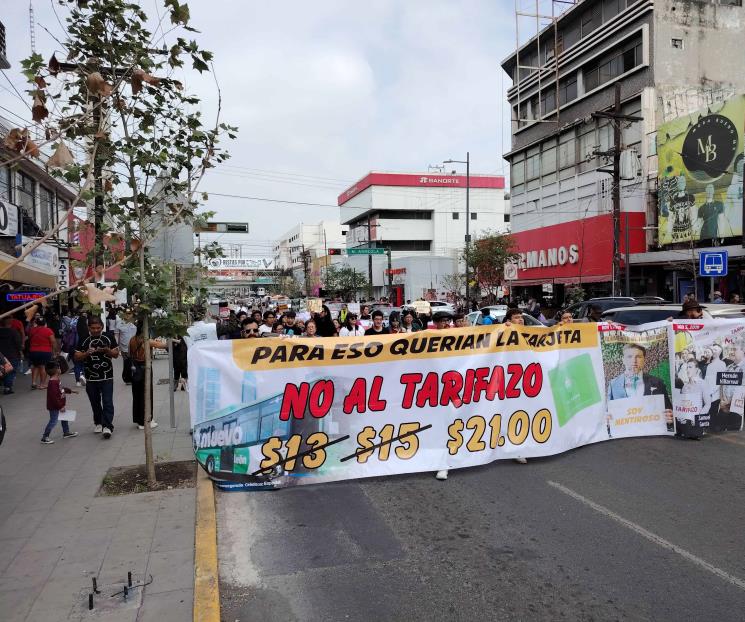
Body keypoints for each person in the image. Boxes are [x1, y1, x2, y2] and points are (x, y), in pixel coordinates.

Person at [607, 344, 674, 430]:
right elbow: (608, 414)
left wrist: (670, 418)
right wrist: (607, 421)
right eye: (629, 356)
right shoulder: (613, 385)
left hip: (652, 437)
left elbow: (669, 413)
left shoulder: (658, 383)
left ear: (644, 360)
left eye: (638, 357)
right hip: (623, 439)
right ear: (623, 360)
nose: (634, 361)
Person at [74, 316, 119, 438]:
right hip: (90, 378)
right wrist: (86, 353)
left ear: (102, 327)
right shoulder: (84, 339)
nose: (95, 330)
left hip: (107, 376)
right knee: (95, 402)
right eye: (93, 328)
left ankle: (107, 426)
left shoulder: (108, 337)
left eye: (98, 328)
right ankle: (98, 422)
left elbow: (116, 354)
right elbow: (76, 356)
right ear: (89, 328)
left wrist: (107, 351)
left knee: (107, 402)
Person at [129, 328, 165, 429]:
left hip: (135, 368)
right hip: (145, 368)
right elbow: (163, 345)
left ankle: (138, 419)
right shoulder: (146, 341)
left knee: (137, 394)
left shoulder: (132, 339)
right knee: (147, 394)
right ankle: (145, 420)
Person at [41, 360, 78, 444]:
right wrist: (60, 406)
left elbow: (61, 389)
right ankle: (45, 437)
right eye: (59, 367)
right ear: (56, 370)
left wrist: (71, 391)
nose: (60, 369)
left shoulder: (56, 380)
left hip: (58, 404)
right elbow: (54, 397)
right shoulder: (53, 382)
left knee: (64, 418)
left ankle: (66, 432)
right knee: (53, 421)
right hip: (55, 406)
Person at [680, 359, 711, 429]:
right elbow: (682, 405)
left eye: (690, 367)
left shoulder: (702, 383)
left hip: (698, 422)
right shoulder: (684, 387)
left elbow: (708, 404)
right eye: (687, 367)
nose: (688, 370)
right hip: (686, 422)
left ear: (696, 369)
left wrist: (698, 418)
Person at [28, 316, 57, 389]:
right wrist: (54, 352)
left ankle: (34, 382)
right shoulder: (48, 330)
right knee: (43, 367)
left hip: (33, 351)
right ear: (45, 323)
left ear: (36, 322)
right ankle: (42, 384)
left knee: (35, 366)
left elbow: (29, 339)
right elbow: (53, 341)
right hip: (45, 351)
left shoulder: (32, 330)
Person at [0, 316, 22, 394]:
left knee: (2, 370)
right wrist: (21, 352)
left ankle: (3, 383)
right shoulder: (13, 332)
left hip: (1, 355)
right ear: (10, 322)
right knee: (11, 371)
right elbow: (18, 343)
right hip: (12, 354)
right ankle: (7, 387)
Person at [115, 309, 137, 385]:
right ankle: (127, 378)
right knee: (127, 362)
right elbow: (117, 336)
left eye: (130, 313)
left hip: (134, 346)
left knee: (133, 362)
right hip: (124, 347)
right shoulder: (119, 323)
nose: (128, 315)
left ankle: (132, 377)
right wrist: (117, 347)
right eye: (127, 313)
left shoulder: (134, 322)